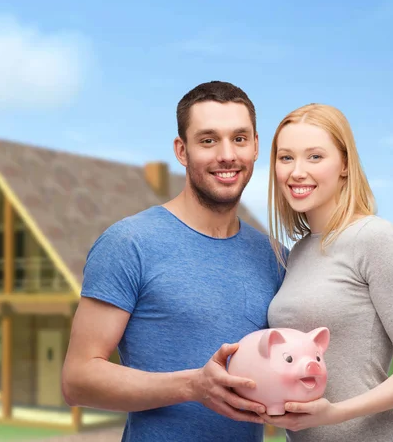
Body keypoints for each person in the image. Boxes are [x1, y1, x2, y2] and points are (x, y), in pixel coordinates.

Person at [61, 81, 286, 442]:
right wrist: (193, 386)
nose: (227, 154)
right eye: (208, 140)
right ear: (182, 151)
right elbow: (78, 380)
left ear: (256, 146)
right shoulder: (129, 243)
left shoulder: (275, 258)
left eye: (239, 139)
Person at [260, 103, 393, 441]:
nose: (297, 171)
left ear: (344, 164)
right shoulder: (297, 253)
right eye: (286, 158)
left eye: (315, 157)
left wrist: (334, 413)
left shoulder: (375, 238)